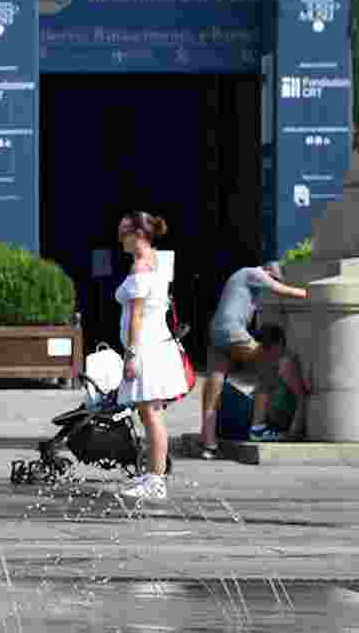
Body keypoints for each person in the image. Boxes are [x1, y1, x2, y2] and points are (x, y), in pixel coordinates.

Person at [199, 262, 308, 458]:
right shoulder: (252, 273)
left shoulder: (241, 280)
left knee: (214, 386)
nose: (269, 286)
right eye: (272, 279)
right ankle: (258, 429)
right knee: (267, 368)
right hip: (233, 331)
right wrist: (309, 293)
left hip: (217, 332)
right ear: (268, 273)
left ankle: (208, 443)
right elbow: (281, 289)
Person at [114, 211, 188, 501]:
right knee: (150, 413)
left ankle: (155, 480)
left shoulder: (141, 267)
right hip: (157, 343)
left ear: (138, 235)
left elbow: (136, 315)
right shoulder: (159, 259)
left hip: (146, 347)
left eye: (124, 234)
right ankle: (152, 475)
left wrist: (131, 354)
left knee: (151, 414)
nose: (120, 240)